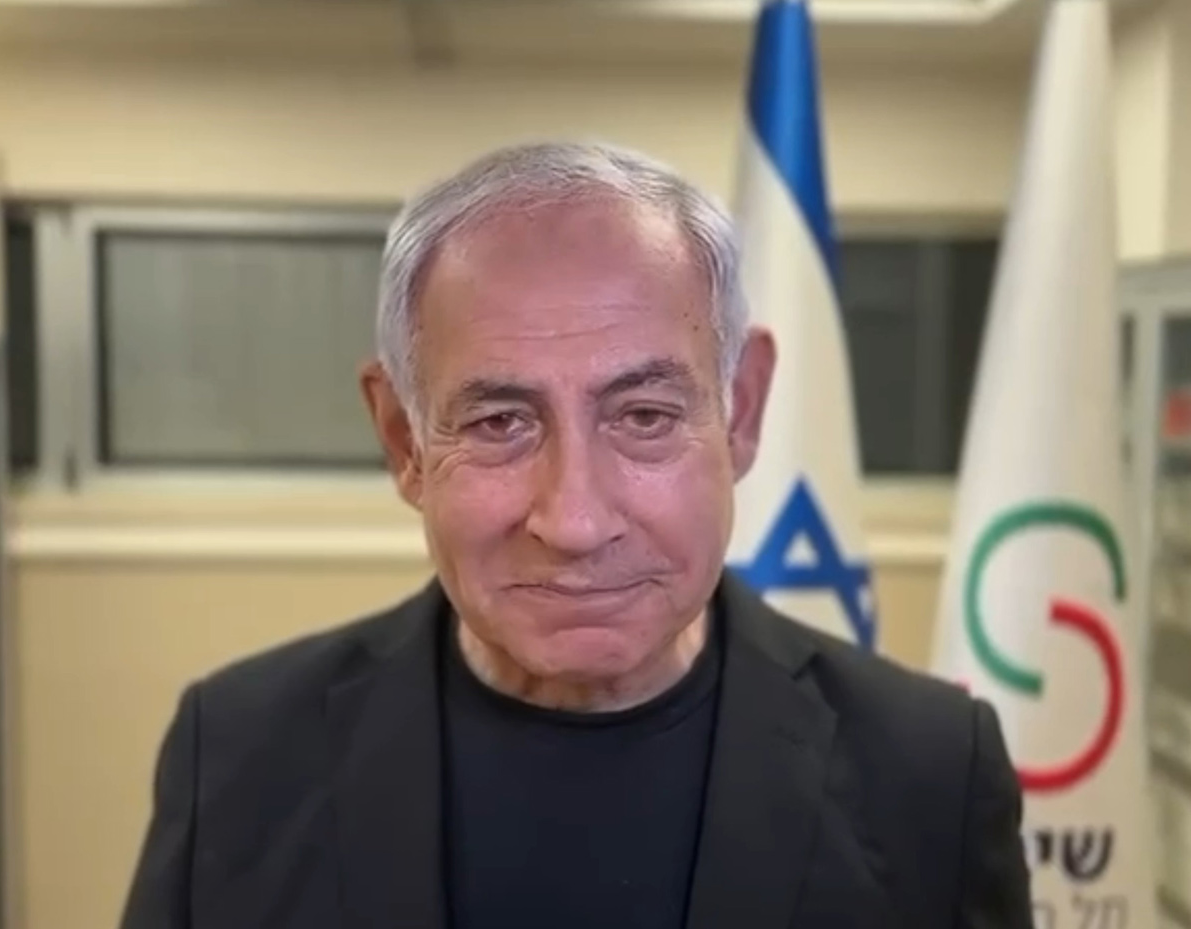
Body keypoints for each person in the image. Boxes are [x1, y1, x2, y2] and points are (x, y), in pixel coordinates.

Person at [119, 140, 1034, 929]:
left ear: (742, 410)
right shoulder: (237, 756)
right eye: (499, 423)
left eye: (644, 415)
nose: (575, 520)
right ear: (404, 439)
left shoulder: (931, 774)